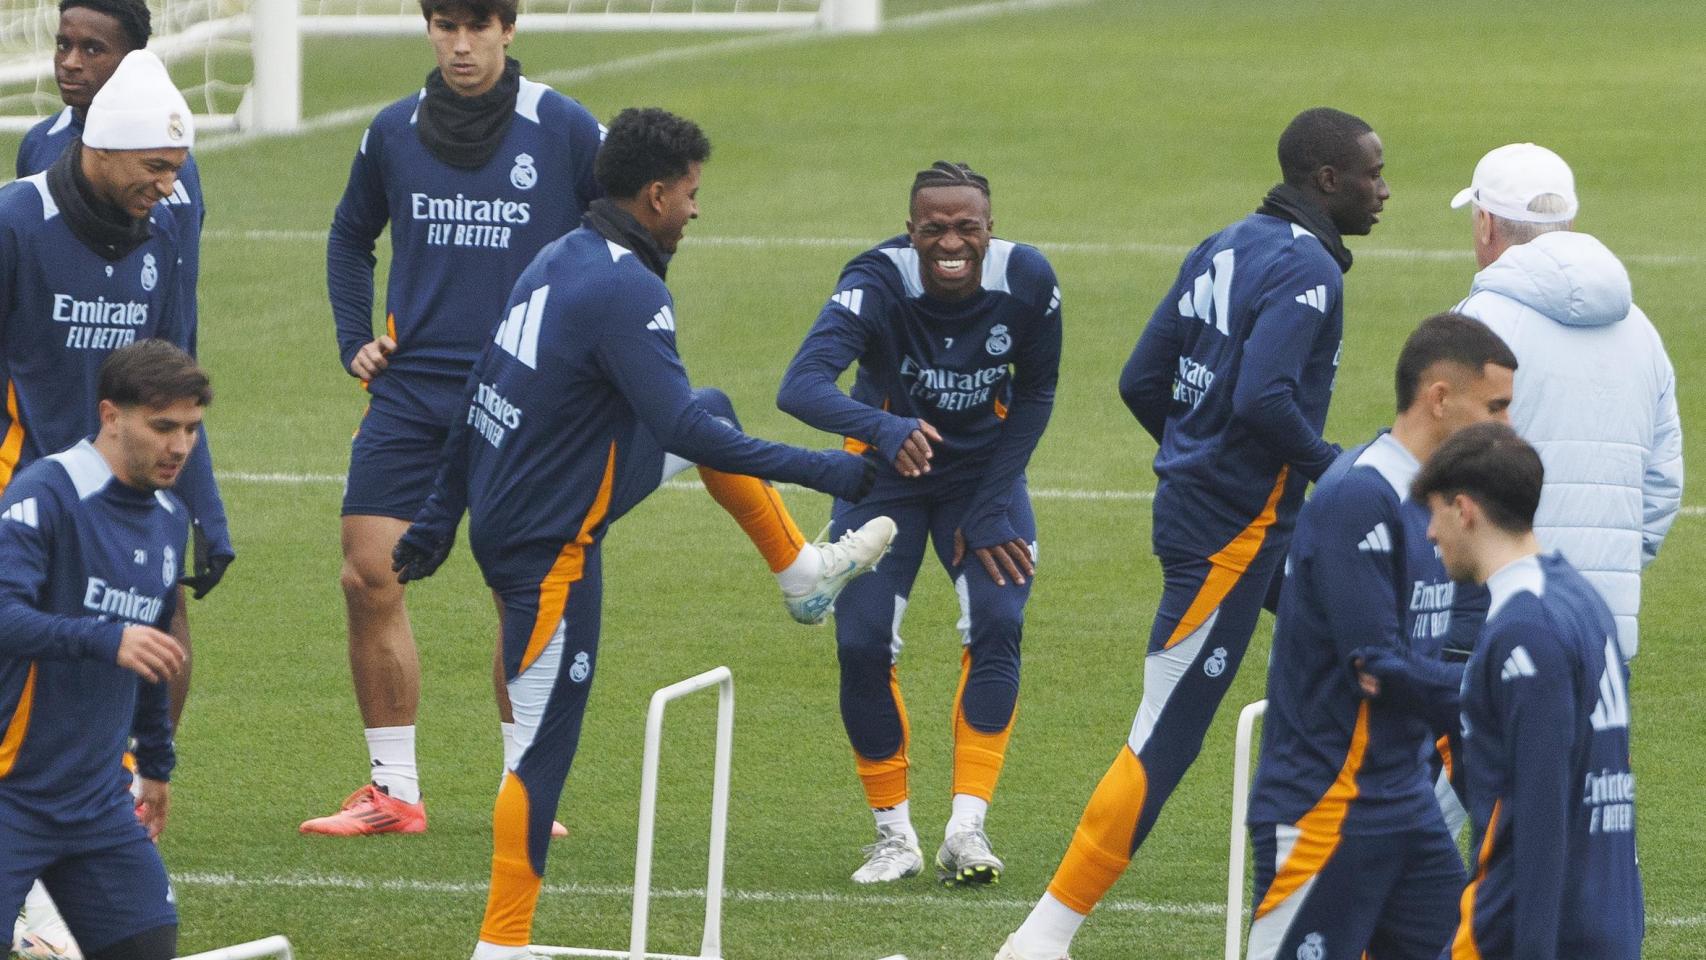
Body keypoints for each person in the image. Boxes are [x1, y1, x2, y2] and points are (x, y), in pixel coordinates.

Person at [392, 107, 892, 960]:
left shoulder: (563, 252)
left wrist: (440, 514)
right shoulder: (629, 289)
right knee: (540, 756)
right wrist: (833, 470)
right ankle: (499, 946)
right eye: (691, 194)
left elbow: (484, 384)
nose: (697, 211)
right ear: (656, 194)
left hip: (523, 502)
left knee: (712, 405)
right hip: (547, 547)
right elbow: (684, 439)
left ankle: (803, 572)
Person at [998, 106, 1388, 960]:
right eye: (1372, 173)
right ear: (1327, 179)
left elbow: (1143, 379)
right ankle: (1039, 939)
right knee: (1166, 732)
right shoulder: (1311, 272)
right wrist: (1346, 472)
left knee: (1383, 657)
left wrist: (1194, 453)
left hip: (1239, 522)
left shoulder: (1225, 242)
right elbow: (1263, 399)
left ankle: (1373, 906)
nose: (1383, 190)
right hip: (1234, 537)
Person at [307, 0, 608, 836]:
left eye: (479, 26)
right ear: (430, 28)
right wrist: (351, 339)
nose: (462, 44)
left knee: (523, 591)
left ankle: (524, 788)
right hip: (412, 394)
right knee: (369, 575)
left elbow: (621, 241)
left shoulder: (565, 127)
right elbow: (348, 236)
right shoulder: (393, 129)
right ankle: (393, 790)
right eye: (446, 25)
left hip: (528, 396)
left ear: (509, 29)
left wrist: (591, 355)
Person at [775, 161, 1061, 886]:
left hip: (981, 482)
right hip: (885, 478)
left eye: (967, 226)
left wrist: (995, 503)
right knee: (862, 641)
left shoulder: (1028, 279)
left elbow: (1037, 394)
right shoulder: (874, 279)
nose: (951, 242)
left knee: (999, 621)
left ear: (990, 228)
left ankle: (966, 830)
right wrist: (883, 426)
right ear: (911, 232)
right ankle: (893, 837)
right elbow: (800, 386)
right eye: (933, 229)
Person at [1240, 313, 1515, 960]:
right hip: (1324, 809)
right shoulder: (1358, 497)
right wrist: (1496, 689)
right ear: (1439, 398)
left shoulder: (1437, 504)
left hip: (1403, 803)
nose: (1507, 428)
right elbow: (1377, 664)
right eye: (1496, 408)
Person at [13, 0, 232, 729]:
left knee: (155, 614)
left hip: (120, 470)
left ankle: (136, 780)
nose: (171, 185)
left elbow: (176, 355)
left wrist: (200, 498)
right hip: (25, 468)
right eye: (158, 169)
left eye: (92, 47)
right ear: (103, 153)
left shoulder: (165, 218)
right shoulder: (19, 213)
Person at [0, 339, 212, 960]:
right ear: (111, 415)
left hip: (95, 806)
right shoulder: (45, 494)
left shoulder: (171, 519)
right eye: (163, 426)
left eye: (192, 430)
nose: (179, 447)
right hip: (10, 792)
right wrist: (105, 638)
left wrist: (156, 766)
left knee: (146, 946)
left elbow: (150, 660)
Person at [1415, 422, 1643, 960]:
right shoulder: (1578, 597)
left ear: (1465, 509)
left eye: (1435, 511)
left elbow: (1539, 819)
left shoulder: (1526, 631)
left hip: (1524, 932)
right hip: (1603, 919)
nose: (1429, 533)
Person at [1448, 142, 1682, 662]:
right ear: (1569, 224)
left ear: (1486, 223)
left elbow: (1440, 468)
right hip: (1605, 622)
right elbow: (1663, 484)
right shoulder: (1641, 330)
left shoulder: (1476, 323)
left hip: (1496, 624)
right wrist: (1606, 569)